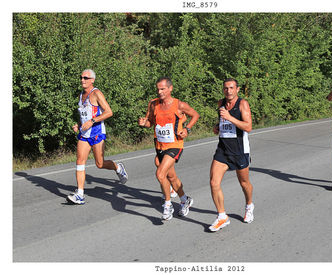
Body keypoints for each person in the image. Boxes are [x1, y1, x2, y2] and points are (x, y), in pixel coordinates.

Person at [138, 77, 199, 221]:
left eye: (163, 89)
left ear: (170, 88)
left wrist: (187, 129)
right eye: (158, 89)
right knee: (170, 176)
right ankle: (184, 199)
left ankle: (168, 205)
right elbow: (150, 123)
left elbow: (195, 115)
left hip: (175, 144)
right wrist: (144, 123)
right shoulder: (153, 104)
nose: (160, 92)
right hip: (159, 145)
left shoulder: (179, 105)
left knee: (160, 173)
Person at [67, 69, 128, 204]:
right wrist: (78, 124)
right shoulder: (81, 95)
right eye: (81, 77)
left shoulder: (96, 93)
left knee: (100, 164)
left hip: (97, 132)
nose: (82, 80)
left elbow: (109, 112)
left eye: (86, 78)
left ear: (92, 80)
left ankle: (118, 168)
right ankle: (80, 194)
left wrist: (92, 121)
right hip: (84, 134)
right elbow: (84, 115)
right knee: (79, 161)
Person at [208, 78, 254, 232]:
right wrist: (217, 127)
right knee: (214, 182)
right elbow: (222, 122)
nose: (228, 91)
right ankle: (222, 216)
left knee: (244, 183)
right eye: (226, 88)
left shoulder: (243, 104)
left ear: (237, 89)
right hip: (223, 149)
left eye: (231, 88)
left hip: (240, 150)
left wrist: (230, 118)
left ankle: (249, 205)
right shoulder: (220, 103)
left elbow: (248, 127)